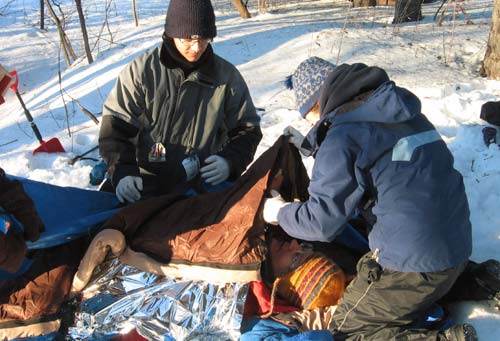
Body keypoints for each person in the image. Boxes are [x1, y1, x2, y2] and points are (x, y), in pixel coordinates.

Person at [263, 62, 478, 340]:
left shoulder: (341, 138)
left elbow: (321, 223)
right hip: (457, 247)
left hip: (414, 264)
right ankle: (483, 279)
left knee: (346, 329)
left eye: (309, 117)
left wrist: (280, 213)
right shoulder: (400, 111)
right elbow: (375, 162)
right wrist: (314, 147)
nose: (311, 124)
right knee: (426, 281)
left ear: (317, 105)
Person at [99, 0, 262, 203]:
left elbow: (248, 129)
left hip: (198, 184)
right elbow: (115, 129)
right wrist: (122, 172)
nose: (196, 47)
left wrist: (230, 161)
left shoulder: (226, 77)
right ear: (171, 33)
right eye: (187, 39)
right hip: (142, 180)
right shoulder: (142, 72)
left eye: (204, 39)